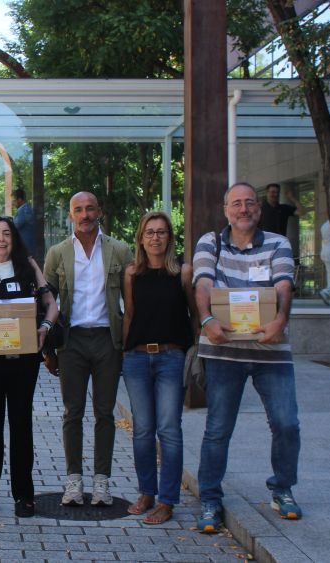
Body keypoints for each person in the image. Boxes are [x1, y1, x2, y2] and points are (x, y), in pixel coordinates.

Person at [193, 182, 301, 533]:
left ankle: (281, 488)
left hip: (271, 349)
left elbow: (283, 284)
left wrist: (280, 321)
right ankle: (210, 497)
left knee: (286, 423)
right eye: (236, 204)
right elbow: (203, 284)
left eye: (250, 203)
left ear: (259, 208)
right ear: (226, 210)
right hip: (223, 349)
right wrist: (207, 319)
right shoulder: (211, 243)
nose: (243, 209)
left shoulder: (278, 243)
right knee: (218, 429)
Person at [43, 191, 132, 506]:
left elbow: (131, 300)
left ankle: (102, 482)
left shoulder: (120, 251)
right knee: (73, 412)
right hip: (72, 341)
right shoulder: (57, 253)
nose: (85, 215)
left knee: (105, 413)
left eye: (90, 209)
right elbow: (48, 303)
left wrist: (127, 343)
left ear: (100, 212)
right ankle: (73, 481)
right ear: (70, 215)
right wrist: (48, 351)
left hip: (108, 340)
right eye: (78, 210)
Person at [0, 216, 58, 518]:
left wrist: (44, 327)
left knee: (21, 426)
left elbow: (52, 305)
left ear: (14, 238)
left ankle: (24, 495)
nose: (1, 239)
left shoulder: (29, 268)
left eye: (7, 233)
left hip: (24, 362)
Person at [121, 211, 197, 525]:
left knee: (169, 429)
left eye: (162, 232)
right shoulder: (131, 274)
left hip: (171, 358)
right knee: (142, 430)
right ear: (141, 238)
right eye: (150, 232)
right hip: (137, 359)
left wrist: (196, 353)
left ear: (170, 238)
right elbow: (129, 316)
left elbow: (195, 316)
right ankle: (146, 492)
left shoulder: (183, 273)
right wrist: (123, 353)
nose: (156, 237)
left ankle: (167, 500)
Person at [12, 188, 37, 257]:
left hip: (26, 248)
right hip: (25, 248)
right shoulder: (25, 209)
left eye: (14, 200)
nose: (12, 203)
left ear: (19, 200)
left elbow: (15, 225)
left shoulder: (25, 210)